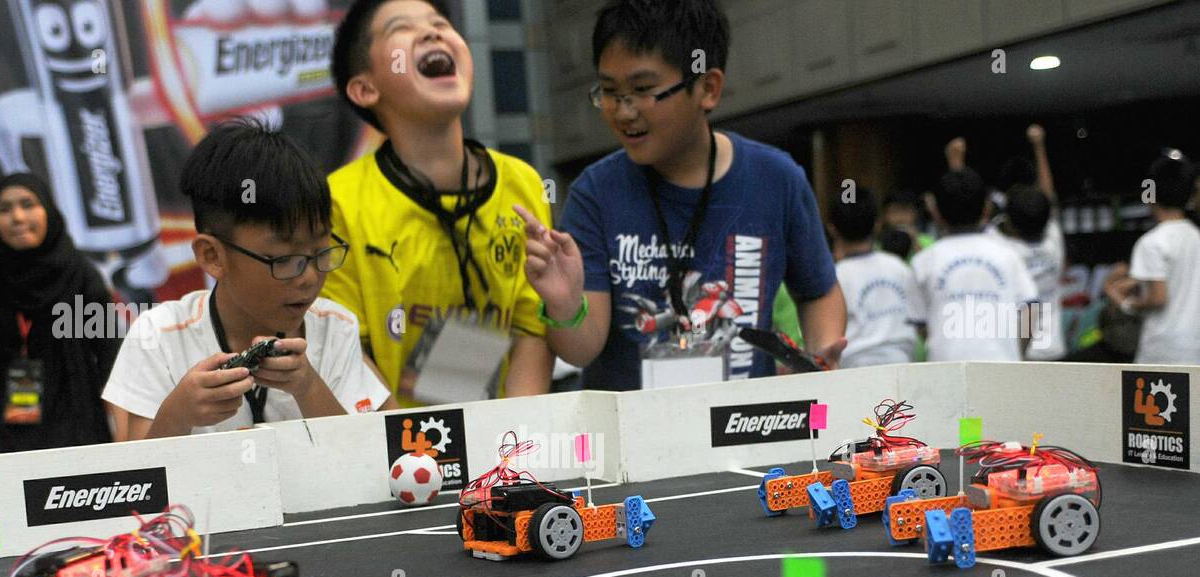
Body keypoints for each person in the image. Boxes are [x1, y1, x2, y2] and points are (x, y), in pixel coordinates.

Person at [553, 0, 845, 390]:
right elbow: (580, 351)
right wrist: (566, 304)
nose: (623, 112)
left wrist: (819, 357)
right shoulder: (595, 193)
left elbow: (819, 291)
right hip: (630, 440)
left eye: (642, 90)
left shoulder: (776, 179)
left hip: (744, 432)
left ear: (707, 88)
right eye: (609, 92)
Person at [323, 0, 579, 408]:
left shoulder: (521, 182)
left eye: (440, 23)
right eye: (401, 28)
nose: (431, 32)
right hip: (397, 455)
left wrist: (509, 445)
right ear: (365, 88)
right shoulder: (339, 201)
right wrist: (412, 449)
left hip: (502, 451)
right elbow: (341, 348)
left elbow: (532, 329)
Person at [103, 119, 394, 440]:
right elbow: (142, 480)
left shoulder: (335, 328)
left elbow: (365, 456)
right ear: (212, 256)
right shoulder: (157, 336)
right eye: (284, 260)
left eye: (321, 252)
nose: (310, 277)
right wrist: (178, 412)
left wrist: (309, 386)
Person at [0, 173, 118, 455]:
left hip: (78, 430)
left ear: (48, 209)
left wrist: (125, 439)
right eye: (4, 209)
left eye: (28, 204)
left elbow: (111, 360)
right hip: (5, 437)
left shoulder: (80, 275)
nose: (17, 217)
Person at [907, 167, 1038, 362]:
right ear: (986, 209)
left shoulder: (922, 262)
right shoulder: (1007, 255)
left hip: (945, 373)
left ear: (935, 213)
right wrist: (1018, 355)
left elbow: (921, 325)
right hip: (1002, 370)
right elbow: (1031, 310)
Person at [981, 126, 1068, 360]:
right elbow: (1048, 197)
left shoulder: (999, 246)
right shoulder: (1052, 238)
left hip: (1018, 352)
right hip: (1054, 349)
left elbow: (967, 217)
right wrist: (1039, 146)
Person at [1105, 153, 1200, 365]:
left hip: (1163, 349)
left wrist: (1126, 303)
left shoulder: (1152, 242)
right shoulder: (1196, 236)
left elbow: (1158, 297)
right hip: (1194, 346)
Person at [828, 188, 917, 368]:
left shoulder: (833, 278)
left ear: (832, 229)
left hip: (853, 371)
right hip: (904, 366)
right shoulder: (899, 267)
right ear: (877, 223)